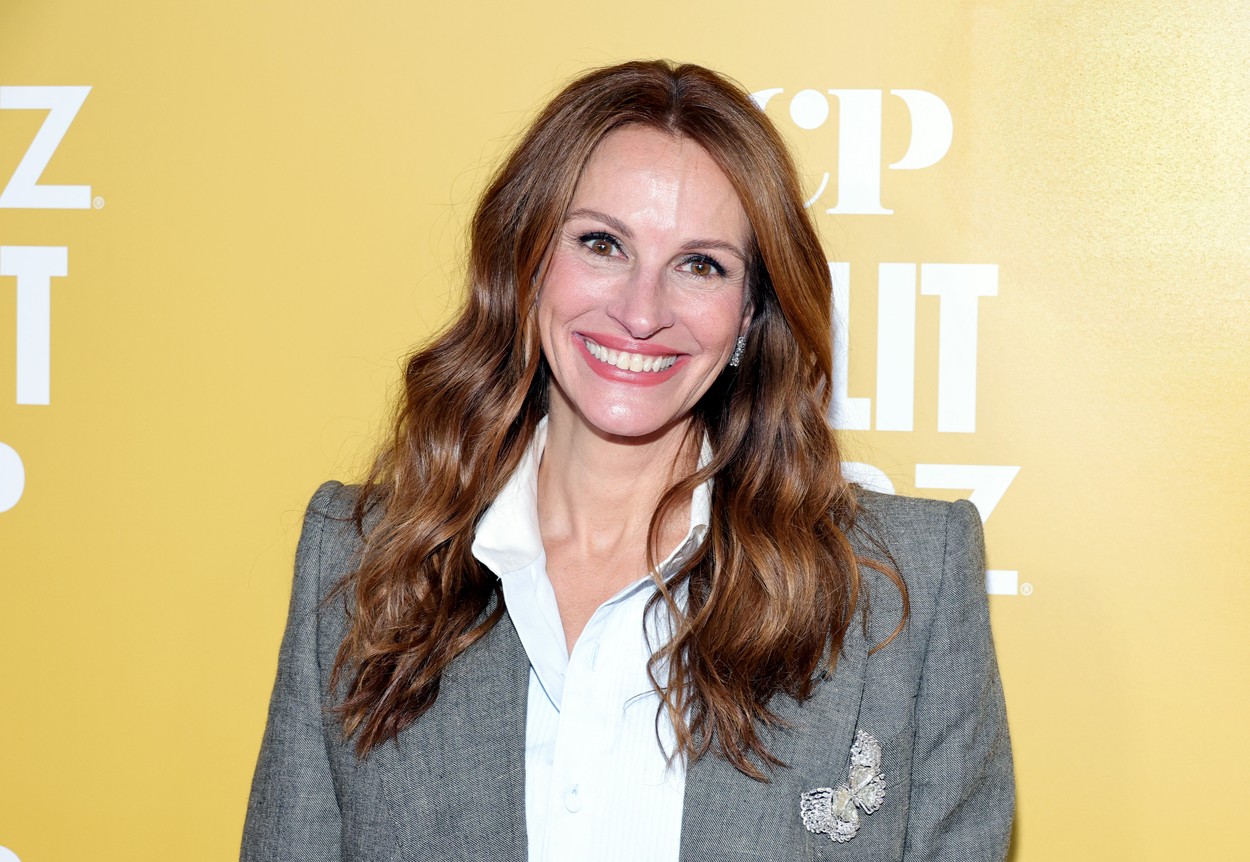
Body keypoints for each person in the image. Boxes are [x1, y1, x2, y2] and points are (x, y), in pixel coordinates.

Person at [241, 60, 1014, 861]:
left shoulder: (904, 587)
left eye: (701, 264)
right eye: (602, 244)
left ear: (750, 315)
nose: (642, 313)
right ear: (526, 264)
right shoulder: (361, 558)